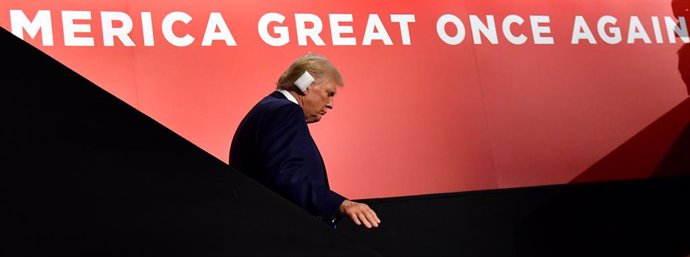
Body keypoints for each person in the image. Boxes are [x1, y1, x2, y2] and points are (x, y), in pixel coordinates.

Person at [229, 52, 381, 229]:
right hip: (281, 233)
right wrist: (340, 204)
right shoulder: (286, 111)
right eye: (329, 93)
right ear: (305, 85)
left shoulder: (267, 108)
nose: (331, 104)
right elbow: (285, 173)